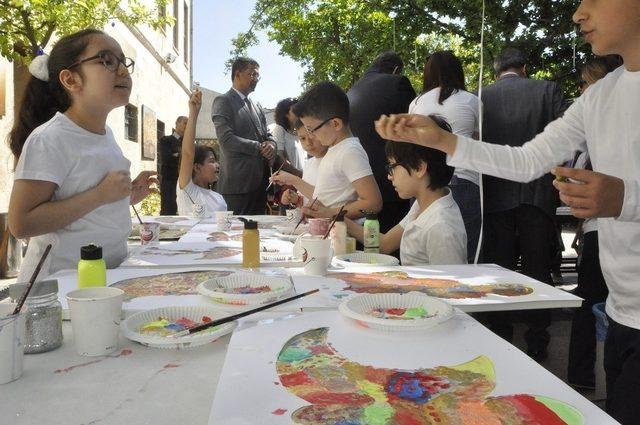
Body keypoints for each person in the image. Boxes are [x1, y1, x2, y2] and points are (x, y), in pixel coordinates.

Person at [375, 1, 640, 420]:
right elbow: (527, 160)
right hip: (623, 311)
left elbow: (622, 195)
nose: (578, 14)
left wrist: (627, 199)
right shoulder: (598, 98)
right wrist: (445, 143)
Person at [8, 29, 156, 282]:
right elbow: (21, 223)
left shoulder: (106, 134)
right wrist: (100, 195)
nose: (123, 71)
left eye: (123, 61)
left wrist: (126, 196)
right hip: (61, 289)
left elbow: (84, 203)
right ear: (71, 80)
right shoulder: (49, 139)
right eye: (106, 60)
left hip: (107, 280)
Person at [567, 55, 621, 390]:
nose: (582, 91)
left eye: (586, 83)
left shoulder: (609, 128)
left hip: (608, 232)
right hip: (599, 231)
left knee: (591, 306)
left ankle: (583, 380)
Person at [345, 115, 466, 266]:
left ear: (419, 168)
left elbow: (451, 286)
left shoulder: (440, 227)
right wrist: (340, 219)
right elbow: (384, 243)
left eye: (392, 167)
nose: (389, 176)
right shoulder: (422, 207)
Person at [408, 51, 481, 262]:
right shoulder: (471, 101)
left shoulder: (417, 103)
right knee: (467, 253)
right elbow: (479, 141)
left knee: (423, 252)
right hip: (465, 179)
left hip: (427, 184)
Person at [272, 82, 382, 219]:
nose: (312, 136)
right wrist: (295, 183)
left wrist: (330, 213)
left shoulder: (350, 151)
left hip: (344, 236)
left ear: (335, 124)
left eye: (312, 129)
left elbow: (373, 203)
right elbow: (324, 197)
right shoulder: (334, 151)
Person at [347, 51, 416, 232]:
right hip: (392, 183)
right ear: (396, 70)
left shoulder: (351, 91)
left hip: (359, 185)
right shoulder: (397, 83)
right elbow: (413, 126)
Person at [211, 57, 277, 215]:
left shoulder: (257, 106)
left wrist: (271, 144)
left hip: (260, 185)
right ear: (238, 74)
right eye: (252, 74)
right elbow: (226, 140)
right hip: (237, 188)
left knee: (257, 235)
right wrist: (259, 147)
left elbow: (267, 134)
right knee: (236, 236)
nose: (256, 79)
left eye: (257, 76)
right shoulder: (223, 101)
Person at [176, 90, 227, 217]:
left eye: (216, 161)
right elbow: (188, 154)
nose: (217, 165)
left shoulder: (219, 198)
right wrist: (194, 112)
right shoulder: (187, 190)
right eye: (211, 161)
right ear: (197, 167)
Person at [280, 120, 329, 207]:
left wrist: (293, 180)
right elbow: (306, 199)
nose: (308, 143)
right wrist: (295, 198)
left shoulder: (335, 160)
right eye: (302, 138)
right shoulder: (308, 165)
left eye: (312, 136)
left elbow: (330, 201)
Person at [158, 116, 186, 215]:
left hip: (185, 183)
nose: (187, 126)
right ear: (177, 123)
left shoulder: (188, 143)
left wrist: (177, 155)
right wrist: (182, 155)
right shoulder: (166, 140)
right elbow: (166, 158)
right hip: (170, 181)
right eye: (184, 123)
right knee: (168, 210)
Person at [269, 98, 306, 171]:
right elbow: (279, 157)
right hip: (291, 178)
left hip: (304, 176)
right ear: (286, 114)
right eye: (295, 110)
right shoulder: (279, 129)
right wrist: (297, 174)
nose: (299, 113)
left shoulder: (299, 131)